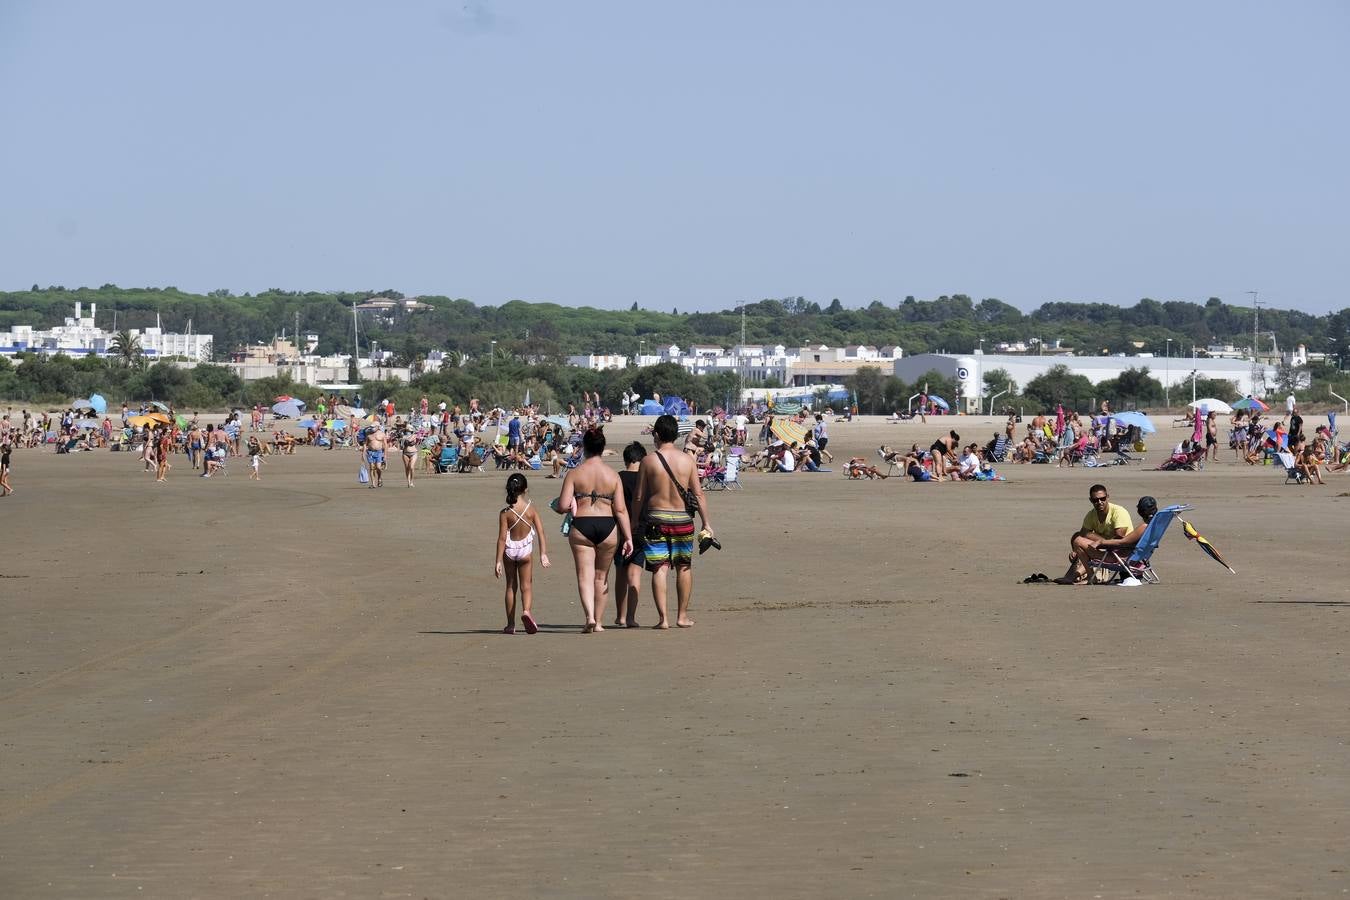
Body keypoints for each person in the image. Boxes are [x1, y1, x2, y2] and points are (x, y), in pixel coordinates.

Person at [629, 414, 712, 629]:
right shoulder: (687, 460)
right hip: (683, 519)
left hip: (656, 518)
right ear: (676, 435)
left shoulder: (648, 461)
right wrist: (706, 523)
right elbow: (699, 494)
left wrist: (634, 520)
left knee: (659, 568)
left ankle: (663, 619)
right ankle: (682, 616)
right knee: (684, 567)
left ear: (656, 434)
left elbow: (639, 495)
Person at [557, 427, 632, 633]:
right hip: (608, 526)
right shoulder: (613, 475)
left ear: (585, 448)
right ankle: (598, 622)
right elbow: (621, 510)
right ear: (602, 448)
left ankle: (589, 616)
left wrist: (571, 501)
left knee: (584, 575)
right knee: (602, 577)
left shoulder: (574, 474)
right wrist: (628, 538)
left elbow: (563, 506)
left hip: (582, 525)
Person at [495, 473, 550, 634]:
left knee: (511, 587)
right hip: (525, 551)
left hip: (509, 551)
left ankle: (510, 625)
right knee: (527, 586)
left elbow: (501, 538)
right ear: (525, 489)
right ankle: (526, 611)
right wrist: (543, 554)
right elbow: (541, 532)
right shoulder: (531, 510)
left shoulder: (505, 513)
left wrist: (498, 561)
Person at [1056, 483, 1133, 584]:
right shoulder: (1091, 515)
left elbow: (1120, 536)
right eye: (1095, 500)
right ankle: (1077, 576)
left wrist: (1100, 542)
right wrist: (1075, 550)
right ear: (1091, 500)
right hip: (1108, 550)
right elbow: (1083, 532)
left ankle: (1088, 576)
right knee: (1077, 537)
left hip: (1121, 554)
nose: (1099, 502)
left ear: (1107, 497)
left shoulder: (1118, 512)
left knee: (1079, 541)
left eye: (1102, 499)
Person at [613, 441, 647, 627]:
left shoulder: (618, 478)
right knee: (635, 574)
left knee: (620, 574)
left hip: (620, 530)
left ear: (626, 460)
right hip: (641, 528)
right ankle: (632, 617)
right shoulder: (646, 478)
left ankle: (620, 616)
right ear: (642, 460)